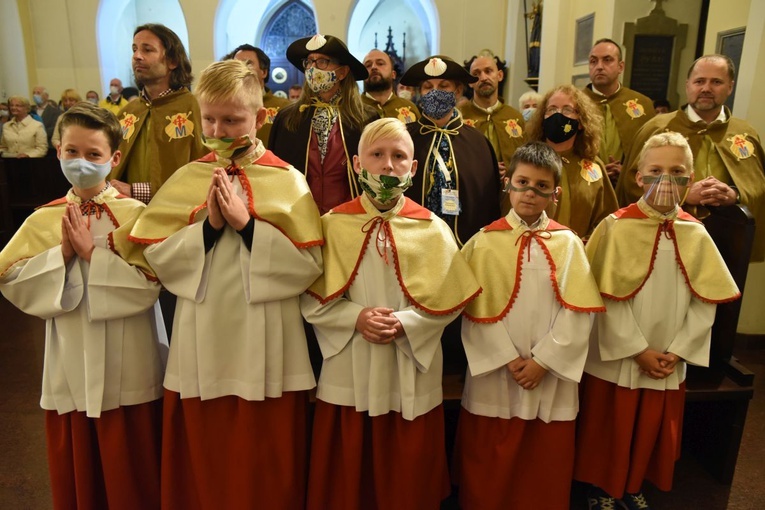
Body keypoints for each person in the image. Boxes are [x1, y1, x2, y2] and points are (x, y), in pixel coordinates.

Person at [127, 59, 323, 510]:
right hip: (205, 327)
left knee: (264, 447)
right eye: (210, 118)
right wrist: (210, 228)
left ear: (259, 117)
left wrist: (248, 226)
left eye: (233, 120)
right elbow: (157, 259)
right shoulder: (188, 178)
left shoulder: (287, 181)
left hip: (267, 330)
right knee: (207, 443)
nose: (219, 128)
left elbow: (309, 265)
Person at [302, 117, 480, 510]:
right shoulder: (332, 225)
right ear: (356, 163)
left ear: (413, 169)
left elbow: (450, 299)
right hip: (352, 358)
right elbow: (311, 297)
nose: (387, 166)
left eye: (399, 157)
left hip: (408, 360)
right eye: (377, 155)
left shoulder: (433, 229)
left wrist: (407, 322)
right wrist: (355, 318)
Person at [0, 102, 166, 510]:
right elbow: (10, 279)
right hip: (70, 348)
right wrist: (61, 256)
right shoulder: (43, 219)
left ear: (114, 158)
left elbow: (150, 286)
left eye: (93, 155)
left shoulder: (137, 216)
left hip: (130, 352)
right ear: (57, 151)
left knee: (132, 460)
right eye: (72, 152)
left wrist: (94, 255)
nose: (81, 162)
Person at [574, 131, 739, 510]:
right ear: (638, 176)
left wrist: (679, 350)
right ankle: (604, 487)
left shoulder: (695, 232)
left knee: (649, 426)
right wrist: (636, 349)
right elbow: (602, 295)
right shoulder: (615, 227)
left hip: (668, 354)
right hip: (620, 354)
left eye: (678, 172)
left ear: (691, 179)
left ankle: (633, 484)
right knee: (610, 423)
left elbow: (706, 299)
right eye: (656, 170)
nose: (667, 181)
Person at [454, 141, 604, 510]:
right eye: (522, 182)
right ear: (507, 184)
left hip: (548, 372)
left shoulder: (568, 244)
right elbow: (473, 310)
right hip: (497, 372)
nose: (530, 193)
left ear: (555, 193)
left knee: (544, 460)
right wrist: (507, 358)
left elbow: (579, 310)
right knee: (490, 456)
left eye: (541, 186)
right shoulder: (484, 243)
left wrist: (544, 361)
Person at [617, 54, 765, 261]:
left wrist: (735, 194)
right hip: (666, 235)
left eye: (716, 82)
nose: (706, 88)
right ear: (688, 86)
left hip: (728, 237)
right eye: (699, 81)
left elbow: (758, 185)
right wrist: (682, 194)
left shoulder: (744, 133)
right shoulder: (657, 128)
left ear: (730, 87)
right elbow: (631, 183)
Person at [400, 55, 502, 247]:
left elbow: (487, 203)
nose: (435, 92)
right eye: (428, 87)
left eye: (444, 86)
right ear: (420, 93)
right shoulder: (405, 139)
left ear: (457, 91)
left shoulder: (478, 143)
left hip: (464, 247)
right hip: (413, 244)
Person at [269, 33, 375, 214]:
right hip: (299, 218)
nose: (313, 68)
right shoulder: (287, 118)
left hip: (348, 219)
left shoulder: (366, 119)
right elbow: (275, 175)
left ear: (342, 72)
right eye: (309, 62)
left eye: (322, 62)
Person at [108, 23, 207, 203]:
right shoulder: (128, 112)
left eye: (147, 50)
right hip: (126, 211)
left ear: (173, 61)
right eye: (134, 49)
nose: (137, 56)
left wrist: (136, 191)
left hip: (177, 213)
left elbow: (203, 170)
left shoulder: (194, 108)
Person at [526, 84, 619, 238]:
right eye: (552, 109)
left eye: (567, 110)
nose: (558, 115)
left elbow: (607, 220)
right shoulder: (527, 161)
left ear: (581, 121)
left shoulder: (594, 167)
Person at [582, 39, 655, 186]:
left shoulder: (642, 104)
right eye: (593, 61)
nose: (599, 66)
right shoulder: (575, 102)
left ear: (620, 66)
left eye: (607, 60)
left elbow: (652, 152)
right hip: (584, 183)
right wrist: (597, 170)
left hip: (630, 185)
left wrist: (627, 171)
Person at [460, 51, 525, 176]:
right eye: (476, 74)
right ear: (470, 82)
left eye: (488, 71)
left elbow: (525, 160)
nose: (483, 78)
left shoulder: (515, 117)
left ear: (500, 75)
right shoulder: (459, 117)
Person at [223, 44, 290, 148]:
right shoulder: (223, 106)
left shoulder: (284, 107)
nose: (242, 69)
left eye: (248, 64)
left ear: (264, 72)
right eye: (236, 64)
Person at [362, 48, 420, 123]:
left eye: (380, 63)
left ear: (393, 74)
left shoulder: (409, 108)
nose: (373, 67)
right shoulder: (351, 108)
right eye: (368, 65)